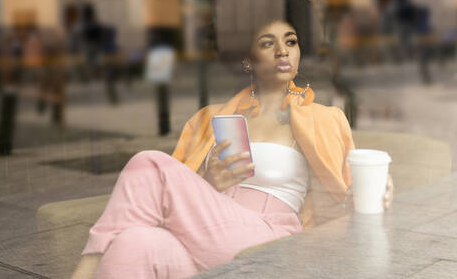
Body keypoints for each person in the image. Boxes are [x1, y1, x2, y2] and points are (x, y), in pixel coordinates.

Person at [71, 20, 394, 279]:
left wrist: (379, 189)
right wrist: (209, 183)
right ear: (248, 61)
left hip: (269, 240)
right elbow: (173, 194)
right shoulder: (213, 118)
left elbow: (348, 190)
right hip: (208, 237)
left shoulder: (324, 118)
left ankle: (85, 269)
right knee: (134, 243)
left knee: (148, 162)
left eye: (291, 41)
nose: (283, 50)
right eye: (268, 43)